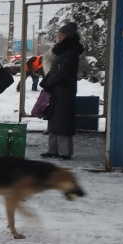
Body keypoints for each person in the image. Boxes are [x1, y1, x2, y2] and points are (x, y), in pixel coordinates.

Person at [39, 22, 84, 160]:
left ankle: (65, 152)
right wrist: (46, 81)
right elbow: (54, 69)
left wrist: (50, 81)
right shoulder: (61, 50)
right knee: (54, 119)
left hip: (65, 90)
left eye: (62, 35)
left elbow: (63, 71)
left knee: (63, 120)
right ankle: (53, 149)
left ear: (69, 36)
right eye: (58, 35)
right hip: (57, 90)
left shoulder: (71, 51)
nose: (59, 37)